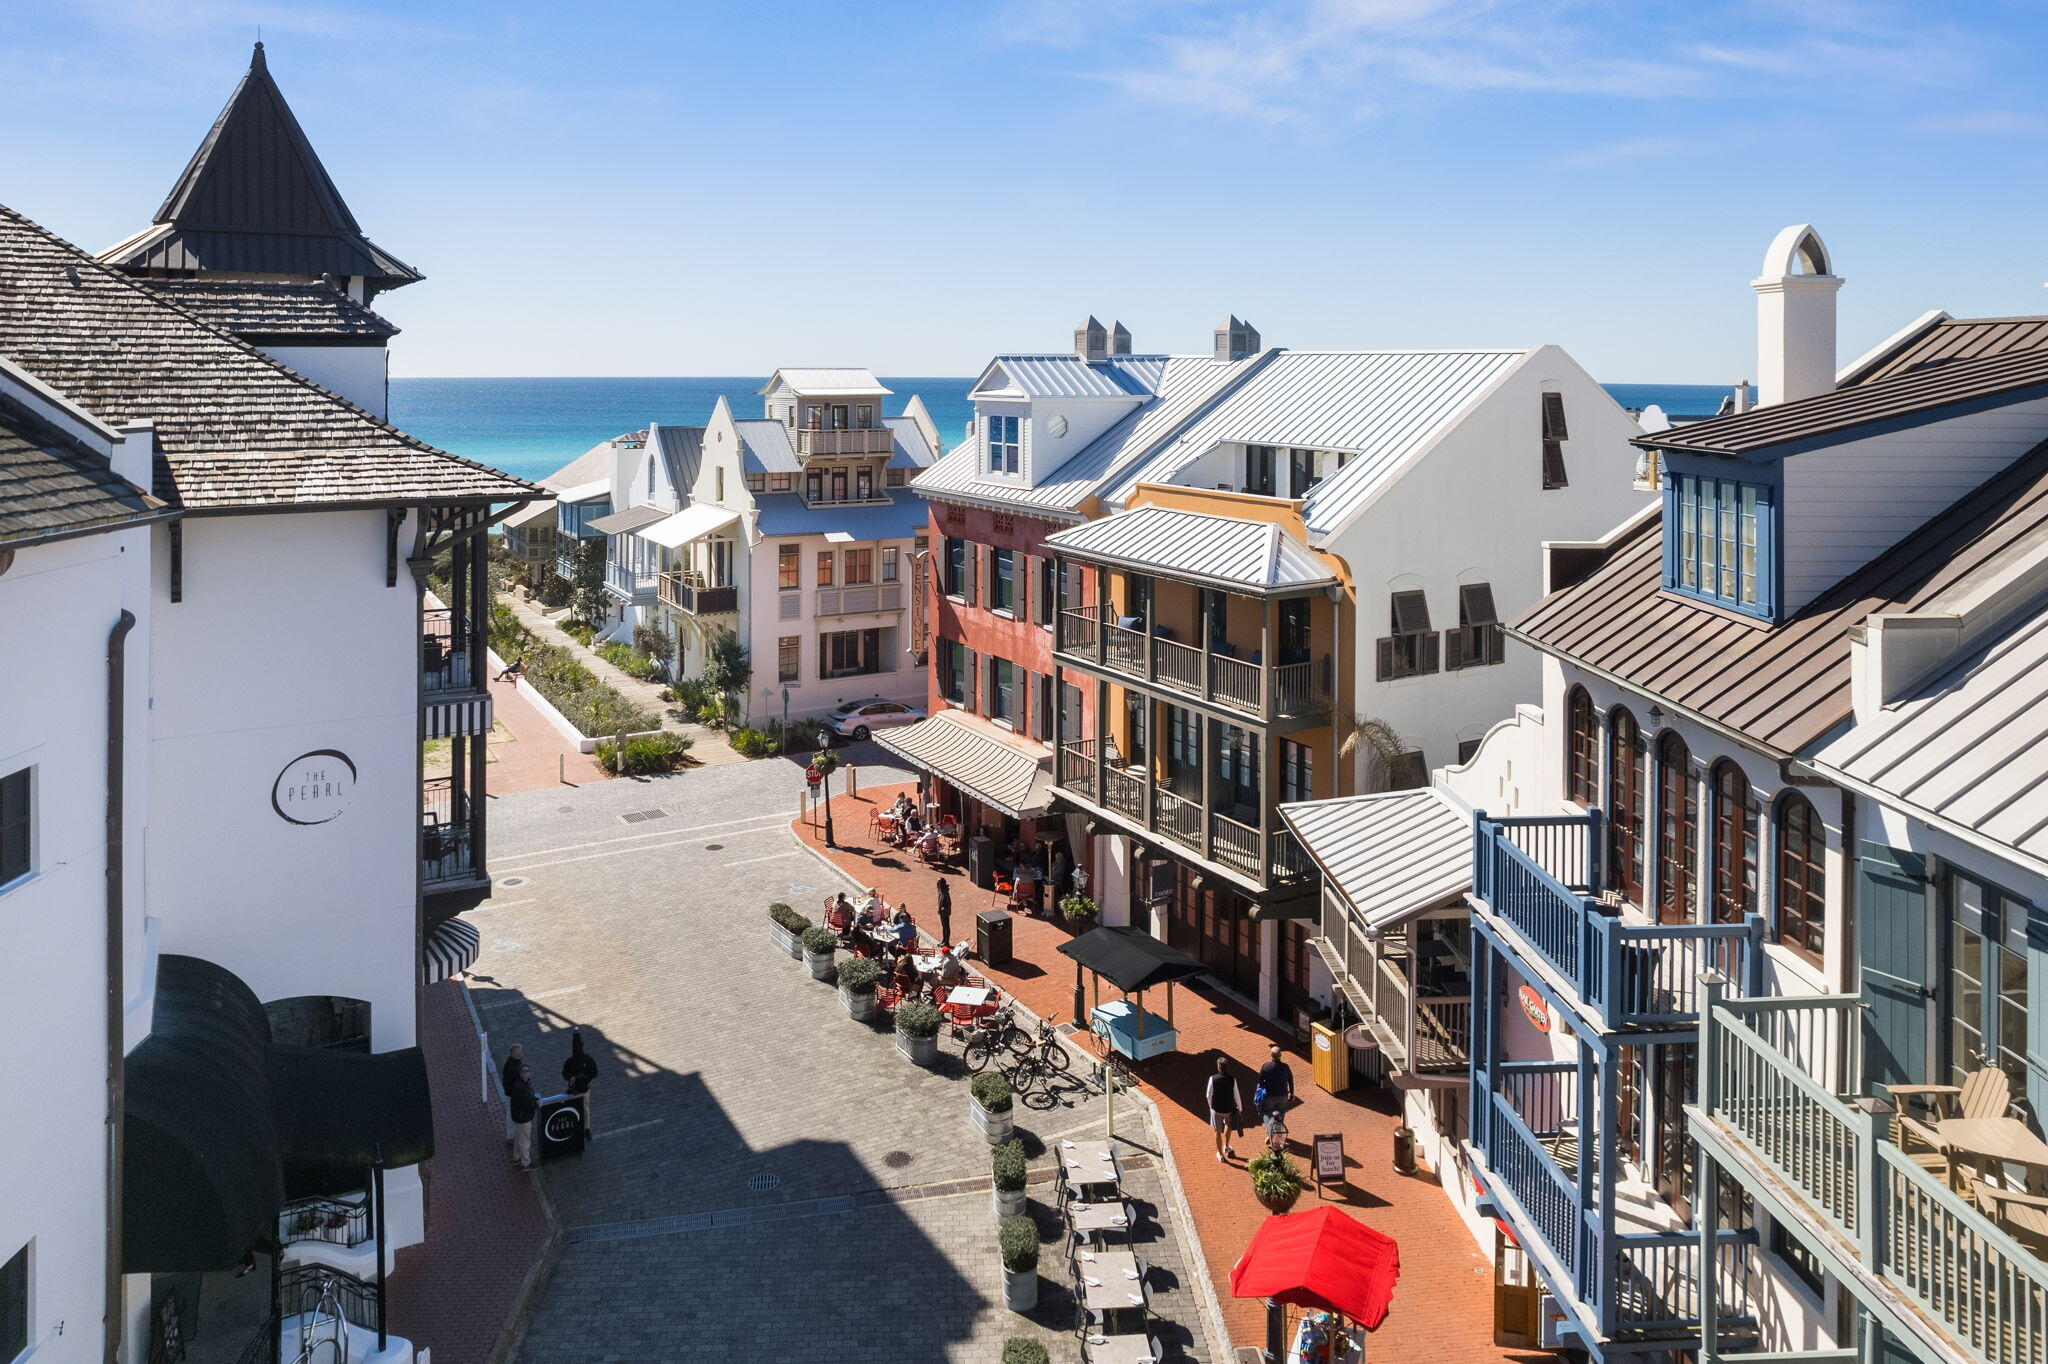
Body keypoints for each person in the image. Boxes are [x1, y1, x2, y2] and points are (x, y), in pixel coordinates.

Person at [562, 1028, 599, 1139]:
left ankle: (586, 1128)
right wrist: (570, 1078)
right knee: (572, 1109)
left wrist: (585, 1078)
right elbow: (564, 1073)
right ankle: (575, 1128)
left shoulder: (588, 1061)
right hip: (573, 1090)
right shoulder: (570, 1061)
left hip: (584, 1090)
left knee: (585, 1109)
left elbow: (594, 1073)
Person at [1206, 1057, 1242, 1162]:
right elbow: (1236, 1095)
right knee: (1228, 1126)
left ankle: (1221, 1155)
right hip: (1228, 1108)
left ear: (1218, 1067)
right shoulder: (1232, 1079)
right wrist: (1240, 1108)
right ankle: (1226, 1146)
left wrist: (1210, 1106)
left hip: (1216, 1109)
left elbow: (1208, 1095)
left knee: (1217, 1131)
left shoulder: (1212, 1079)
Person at [507, 1062, 539, 1170]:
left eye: (527, 1071)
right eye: (523, 1071)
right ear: (520, 1073)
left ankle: (516, 1159)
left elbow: (527, 1099)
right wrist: (536, 1104)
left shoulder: (523, 1084)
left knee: (518, 1139)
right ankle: (526, 1163)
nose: (525, 1073)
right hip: (523, 1119)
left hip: (519, 1118)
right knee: (525, 1141)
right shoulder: (520, 1087)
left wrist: (534, 1099)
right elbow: (525, 1105)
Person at [1256, 1043, 1296, 1118]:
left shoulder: (1266, 1066)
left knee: (1269, 1115)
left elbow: (1260, 1081)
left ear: (1271, 1055)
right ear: (1280, 1055)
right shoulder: (1285, 1067)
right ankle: (1280, 1124)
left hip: (1270, 1096)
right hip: (1283, 1096)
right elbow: (1290, 1080)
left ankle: (1270, 1125)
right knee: (1281, 1116)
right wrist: (1291, 1093)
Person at [935, 878, 953, 947]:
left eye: (938, 882)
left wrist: (942, 909)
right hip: (942, 913)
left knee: (946, 927)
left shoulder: (945, 893)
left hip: (945, 913)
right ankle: (944, 940)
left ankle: (946, 942)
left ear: (941, 884)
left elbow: (949, 904)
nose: (937, 884)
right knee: (943, 927)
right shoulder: (940, 891)